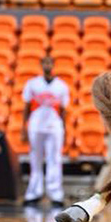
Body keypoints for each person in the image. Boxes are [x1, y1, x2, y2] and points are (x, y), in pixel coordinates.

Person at [22, 56, 70, 207]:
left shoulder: (61, 86)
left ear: (53, 65)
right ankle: (33, 193)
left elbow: (63, 110)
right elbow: (26, 107)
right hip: (36, 125)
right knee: (35, 160)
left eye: (50, 62)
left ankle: (56, 194)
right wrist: (24, 127)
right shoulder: (32, 84)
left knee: (54, 159)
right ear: (41, 65)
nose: (47, 65)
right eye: (45, 62)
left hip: (54, 126)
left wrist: (65, 128)